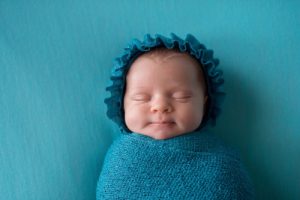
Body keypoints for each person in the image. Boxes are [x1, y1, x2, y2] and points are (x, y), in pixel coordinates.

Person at [96, 33, 254, 199]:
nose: (160, 106)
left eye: (181, 97)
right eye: (141, 98)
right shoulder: (122, 159)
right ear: (121, 104)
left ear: (205, 103)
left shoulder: (222, 162)